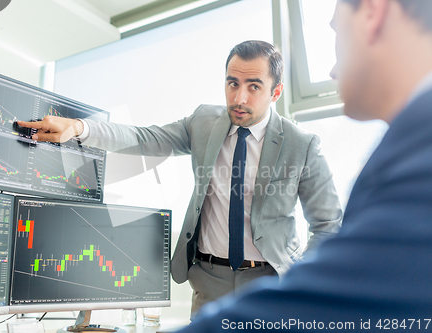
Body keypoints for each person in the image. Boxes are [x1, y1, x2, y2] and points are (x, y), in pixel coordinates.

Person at [163, 0, 432, 331]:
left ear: (373, 14)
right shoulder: (410, 140)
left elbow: (350, 275)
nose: (333, 71)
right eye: (233, 84)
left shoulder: (419, 147)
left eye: (337, 34)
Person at [18, 41, 342, 314]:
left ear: (276, 92)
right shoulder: (204, 121)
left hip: (270, 280)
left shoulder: (301, 144)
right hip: (208, 278)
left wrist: (301, 279)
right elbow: (145, 138)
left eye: (254, 86)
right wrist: (80, 128)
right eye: (233, 83)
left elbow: (327, 224)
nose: (239, 98)